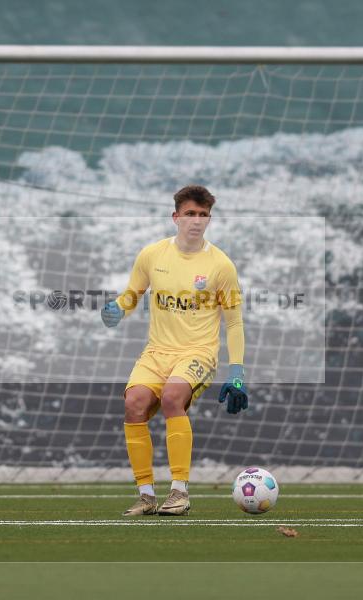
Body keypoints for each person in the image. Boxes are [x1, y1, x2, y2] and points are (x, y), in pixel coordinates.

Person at [101, 185, 248, 516]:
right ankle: (146, 495)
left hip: (198, 354)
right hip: (157, 352)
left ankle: (179, 492)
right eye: (190, 214)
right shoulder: (152, 255)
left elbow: (234, 323)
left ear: (209, 219)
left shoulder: (221, 265)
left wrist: (236, 371)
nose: (196, 221)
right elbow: (132, 293)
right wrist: (117, 308)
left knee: (171, 397)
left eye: (203, 215)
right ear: (175, 217)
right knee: (134, 403)